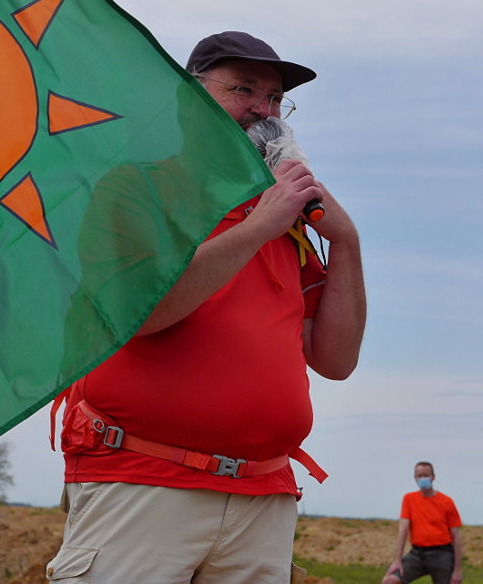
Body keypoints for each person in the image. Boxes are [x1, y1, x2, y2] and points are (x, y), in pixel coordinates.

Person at [47, 31, 366, 583]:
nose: (263, 112)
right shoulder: (135, 189)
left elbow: (335, 359)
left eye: (274, 100)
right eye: (244, 89)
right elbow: (140, 313)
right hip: (143, 479)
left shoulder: (287, 221)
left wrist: (347, 241)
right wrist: (258, 225)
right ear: (188, 99)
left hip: (262, 495)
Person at [382, 462, 463, 584]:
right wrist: (397, 560)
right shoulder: (409, 499)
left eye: (426, 475)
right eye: (419, 475)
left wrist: (457, 570)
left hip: (442, 554)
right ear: (415, 478)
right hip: (417, 555)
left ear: (433, 477)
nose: (423, 478)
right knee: (389, 581)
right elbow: (402, 531)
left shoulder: (446, 502)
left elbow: (456, 537)